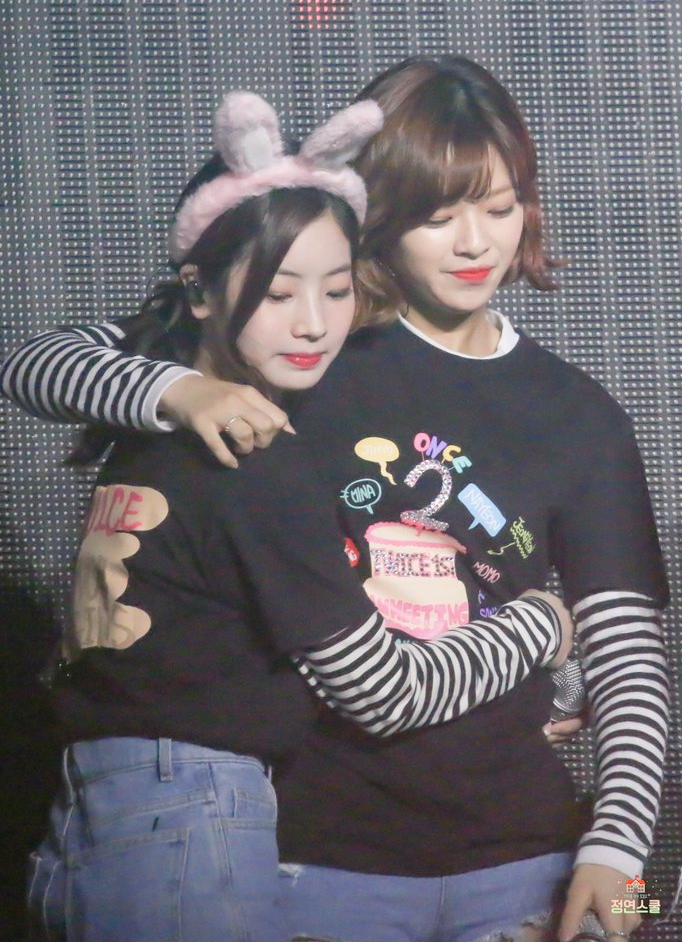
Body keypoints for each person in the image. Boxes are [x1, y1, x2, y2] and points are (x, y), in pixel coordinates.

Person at [1, 57, 669, 942]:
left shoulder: (578, 414)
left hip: (527, 854)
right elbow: (37, 364)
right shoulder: (300, 344)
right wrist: (179, 391)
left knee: (651, 914)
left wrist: (622, 856)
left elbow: (628, 657)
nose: (475, 243)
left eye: (501, 208)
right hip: (308, 858)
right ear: (377, 213)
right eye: (438, 216)